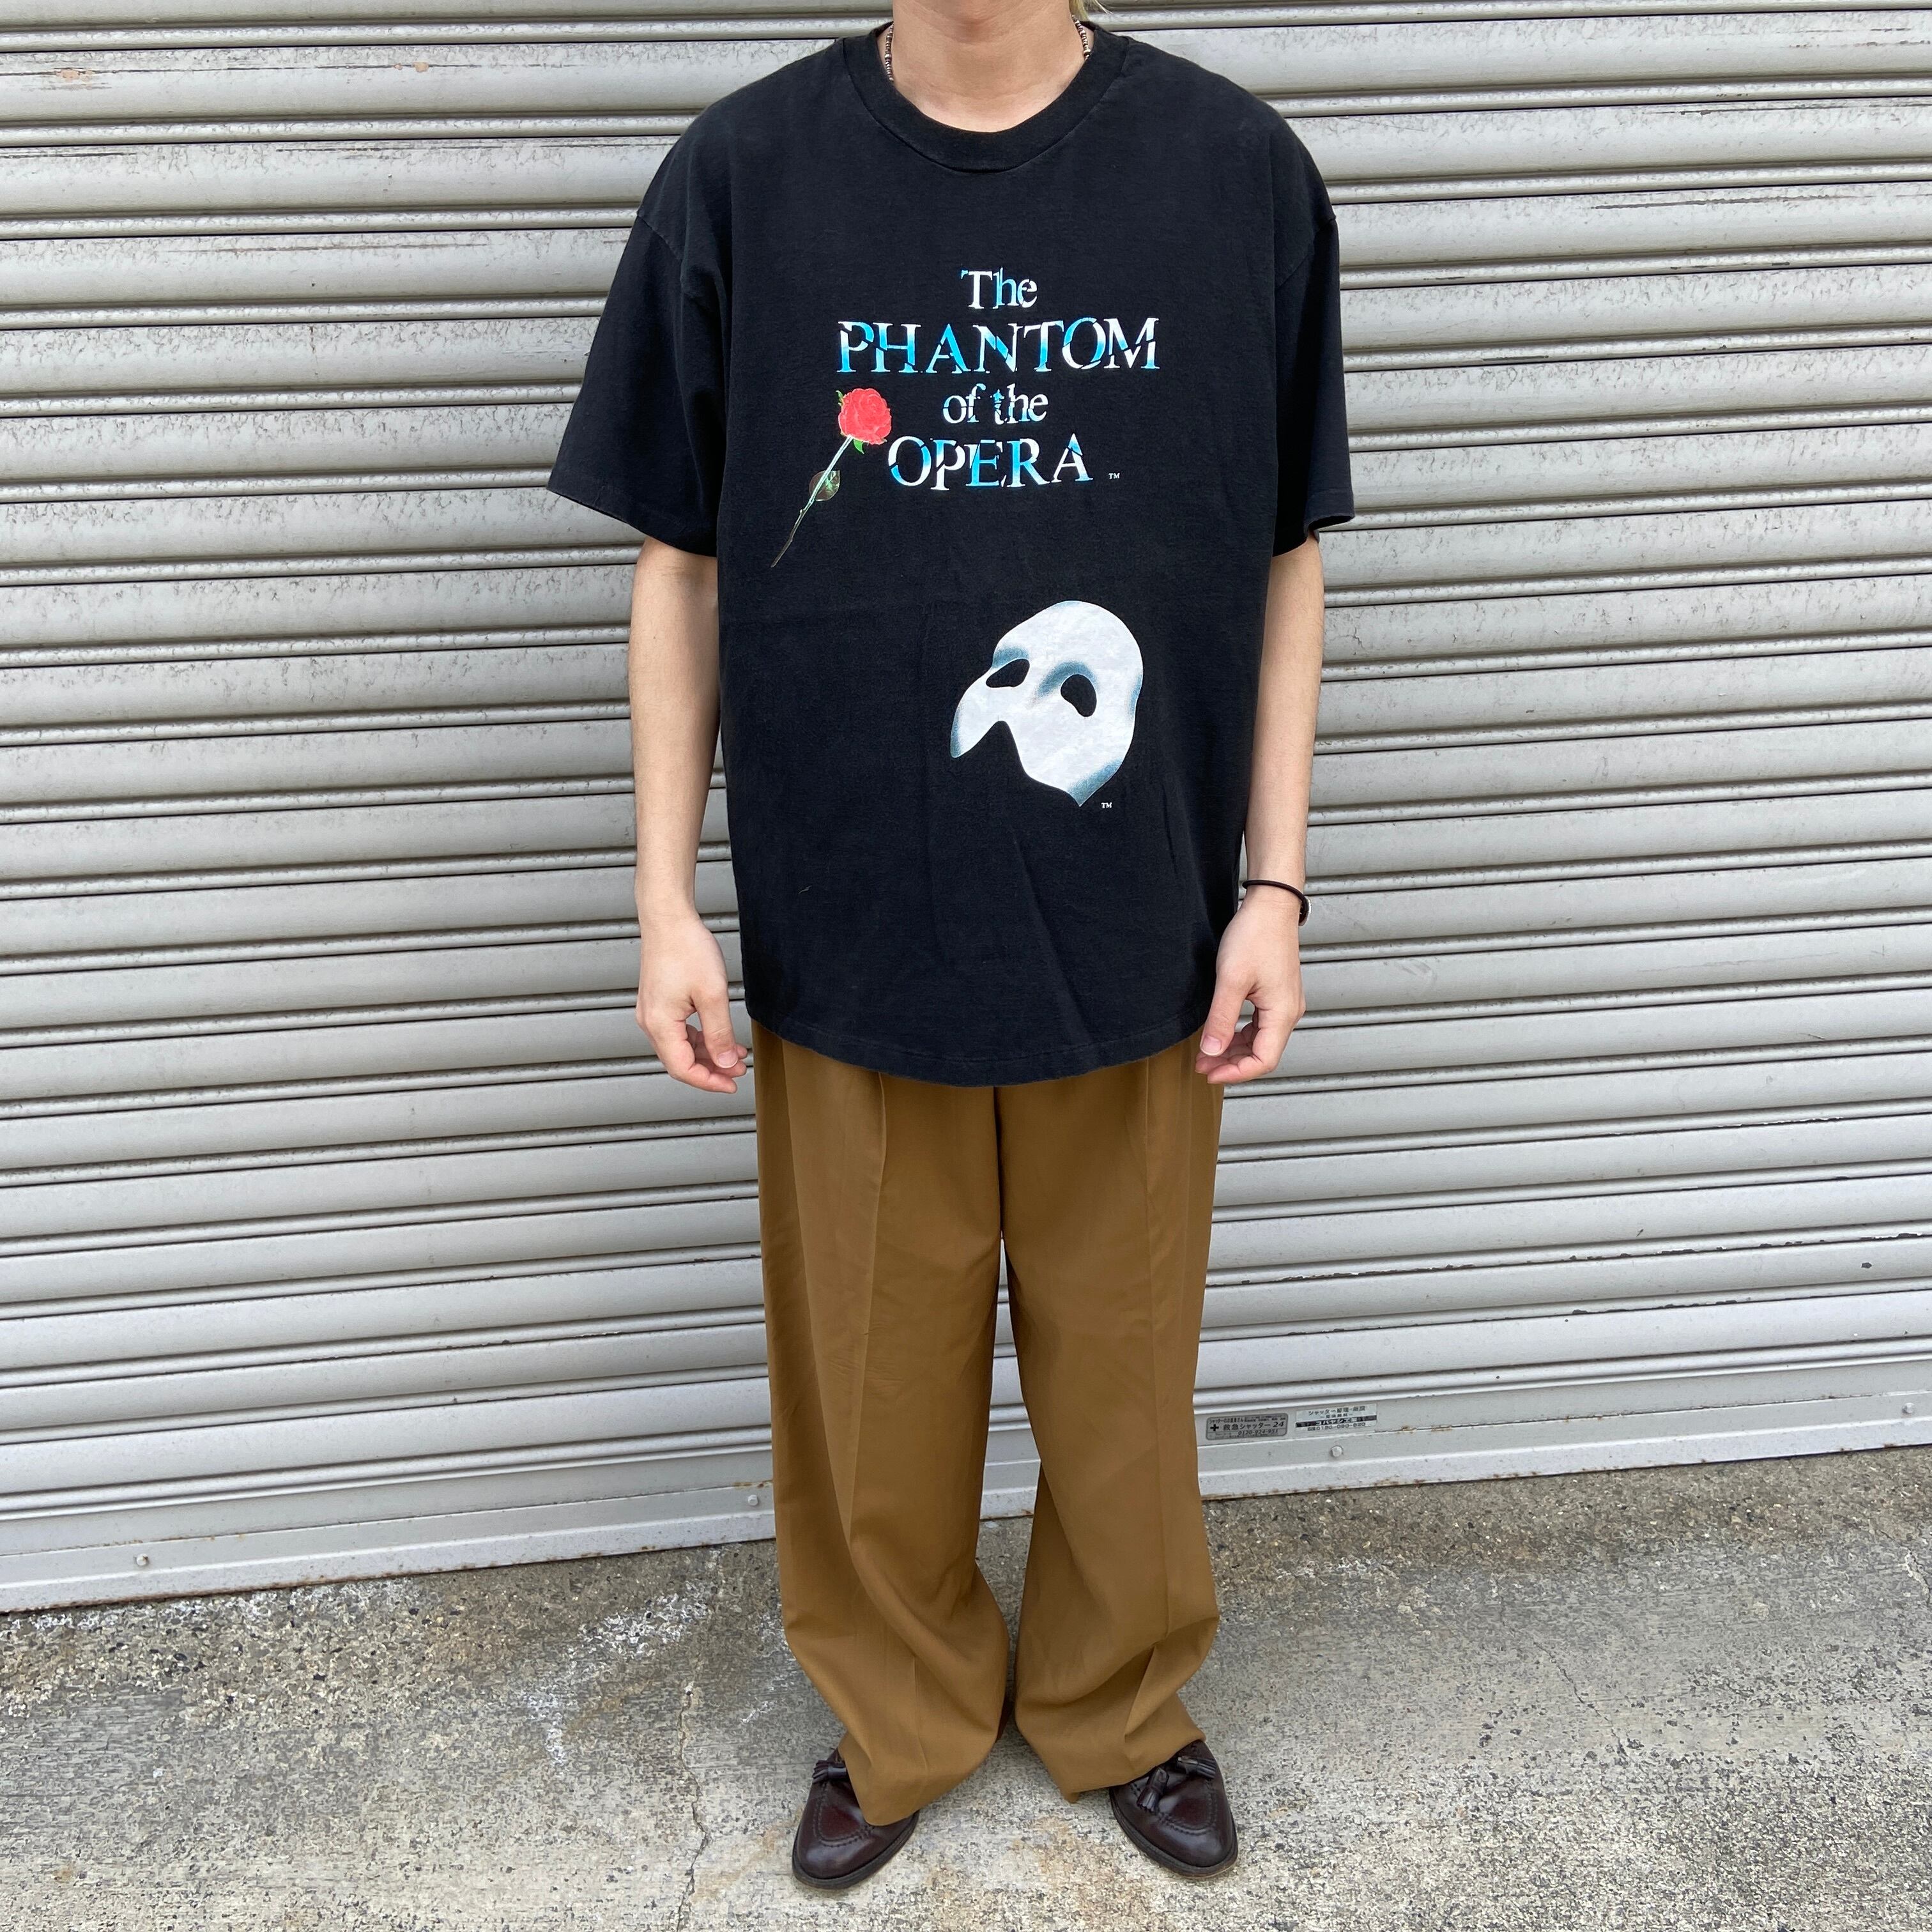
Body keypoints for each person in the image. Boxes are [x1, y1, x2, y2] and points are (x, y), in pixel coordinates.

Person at [545, 0, 1351, 1889]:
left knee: (1124, 1376)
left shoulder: (1234, 177)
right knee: (869, 1389)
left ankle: (1119, 1704)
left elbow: (1285, 552)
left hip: (1141, 929)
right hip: (850, 923)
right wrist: (664, 899)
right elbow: (680, 563)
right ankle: (900, 1714)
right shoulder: (743, 181)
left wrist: (1276, 888)